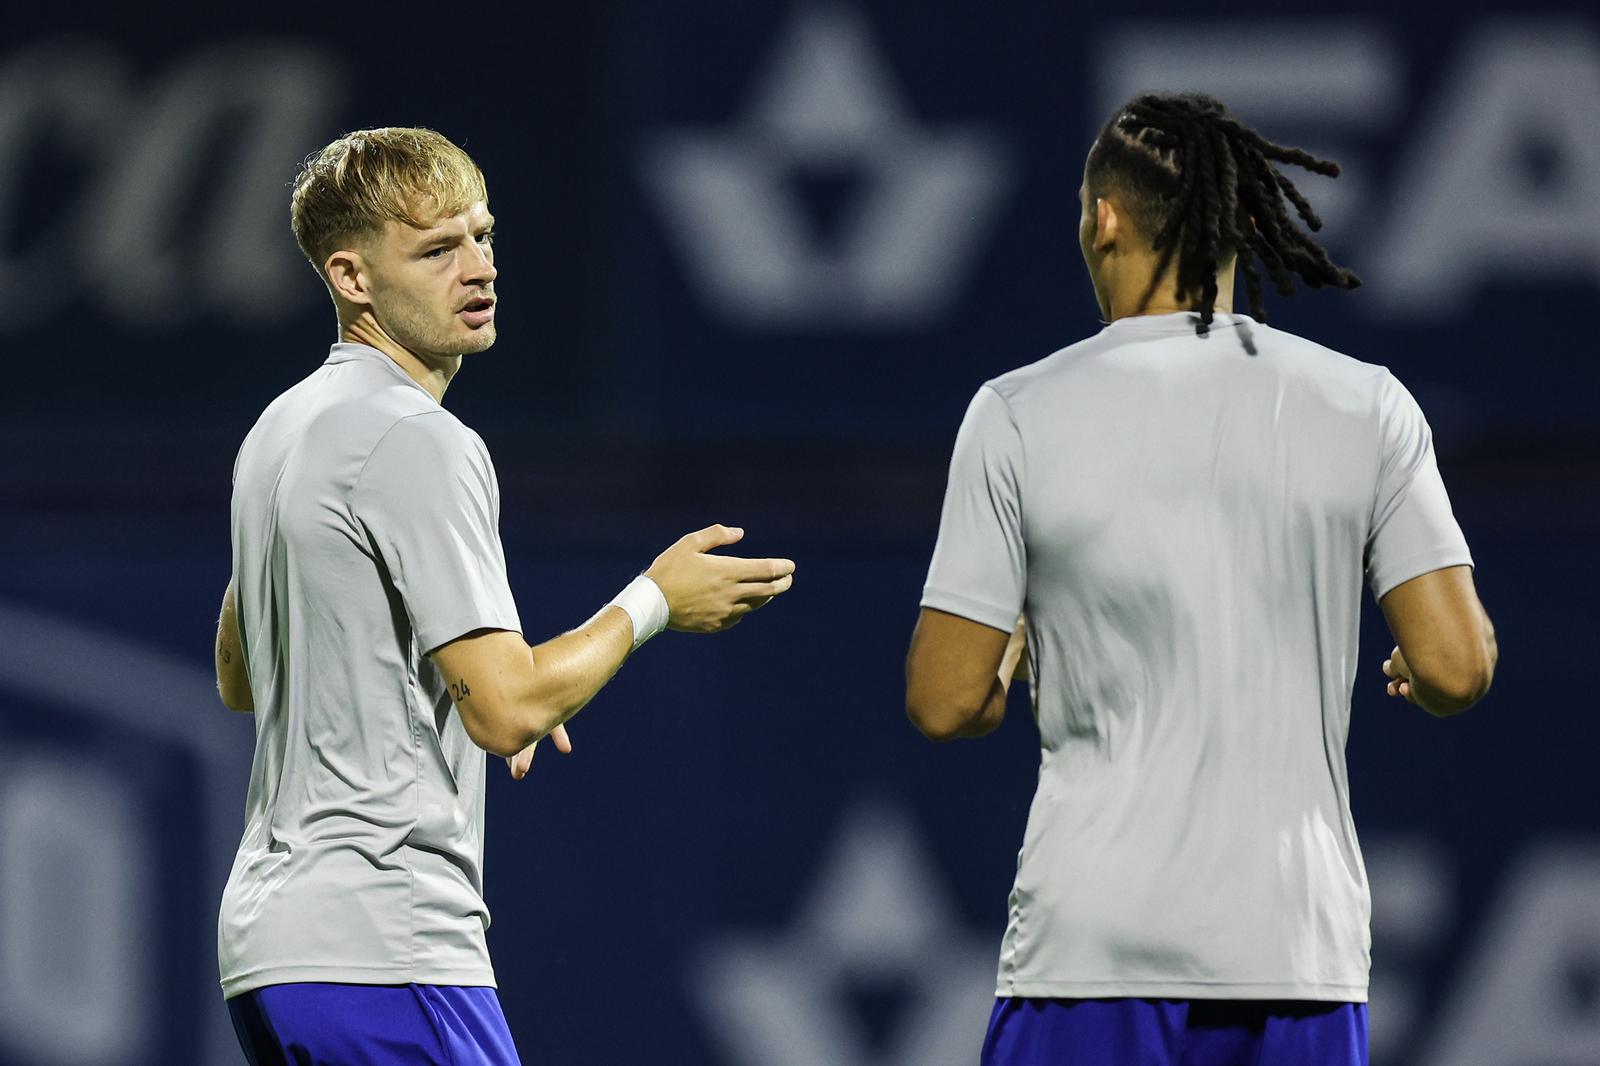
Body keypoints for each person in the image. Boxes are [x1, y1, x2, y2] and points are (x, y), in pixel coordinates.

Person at [904, 92, 1497, 1066]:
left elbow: (943, 699)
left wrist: (1003, 666)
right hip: (1295, 950)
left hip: (1094, 954)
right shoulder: (1366, 405)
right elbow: (1456, 663)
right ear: (1248, 224)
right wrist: (1423, 678)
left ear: (1104, 217)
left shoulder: (1016, 412)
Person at [212, 127, 795, 1064]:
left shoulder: (279, 431)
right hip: (385, 947)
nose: (477, 266)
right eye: (437, 249)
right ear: (353, 279)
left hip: (273, 955)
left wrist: (467, 685)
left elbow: (245, 676)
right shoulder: (416, 438)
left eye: (482, 236)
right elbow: (508, 707)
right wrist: (654, 600)